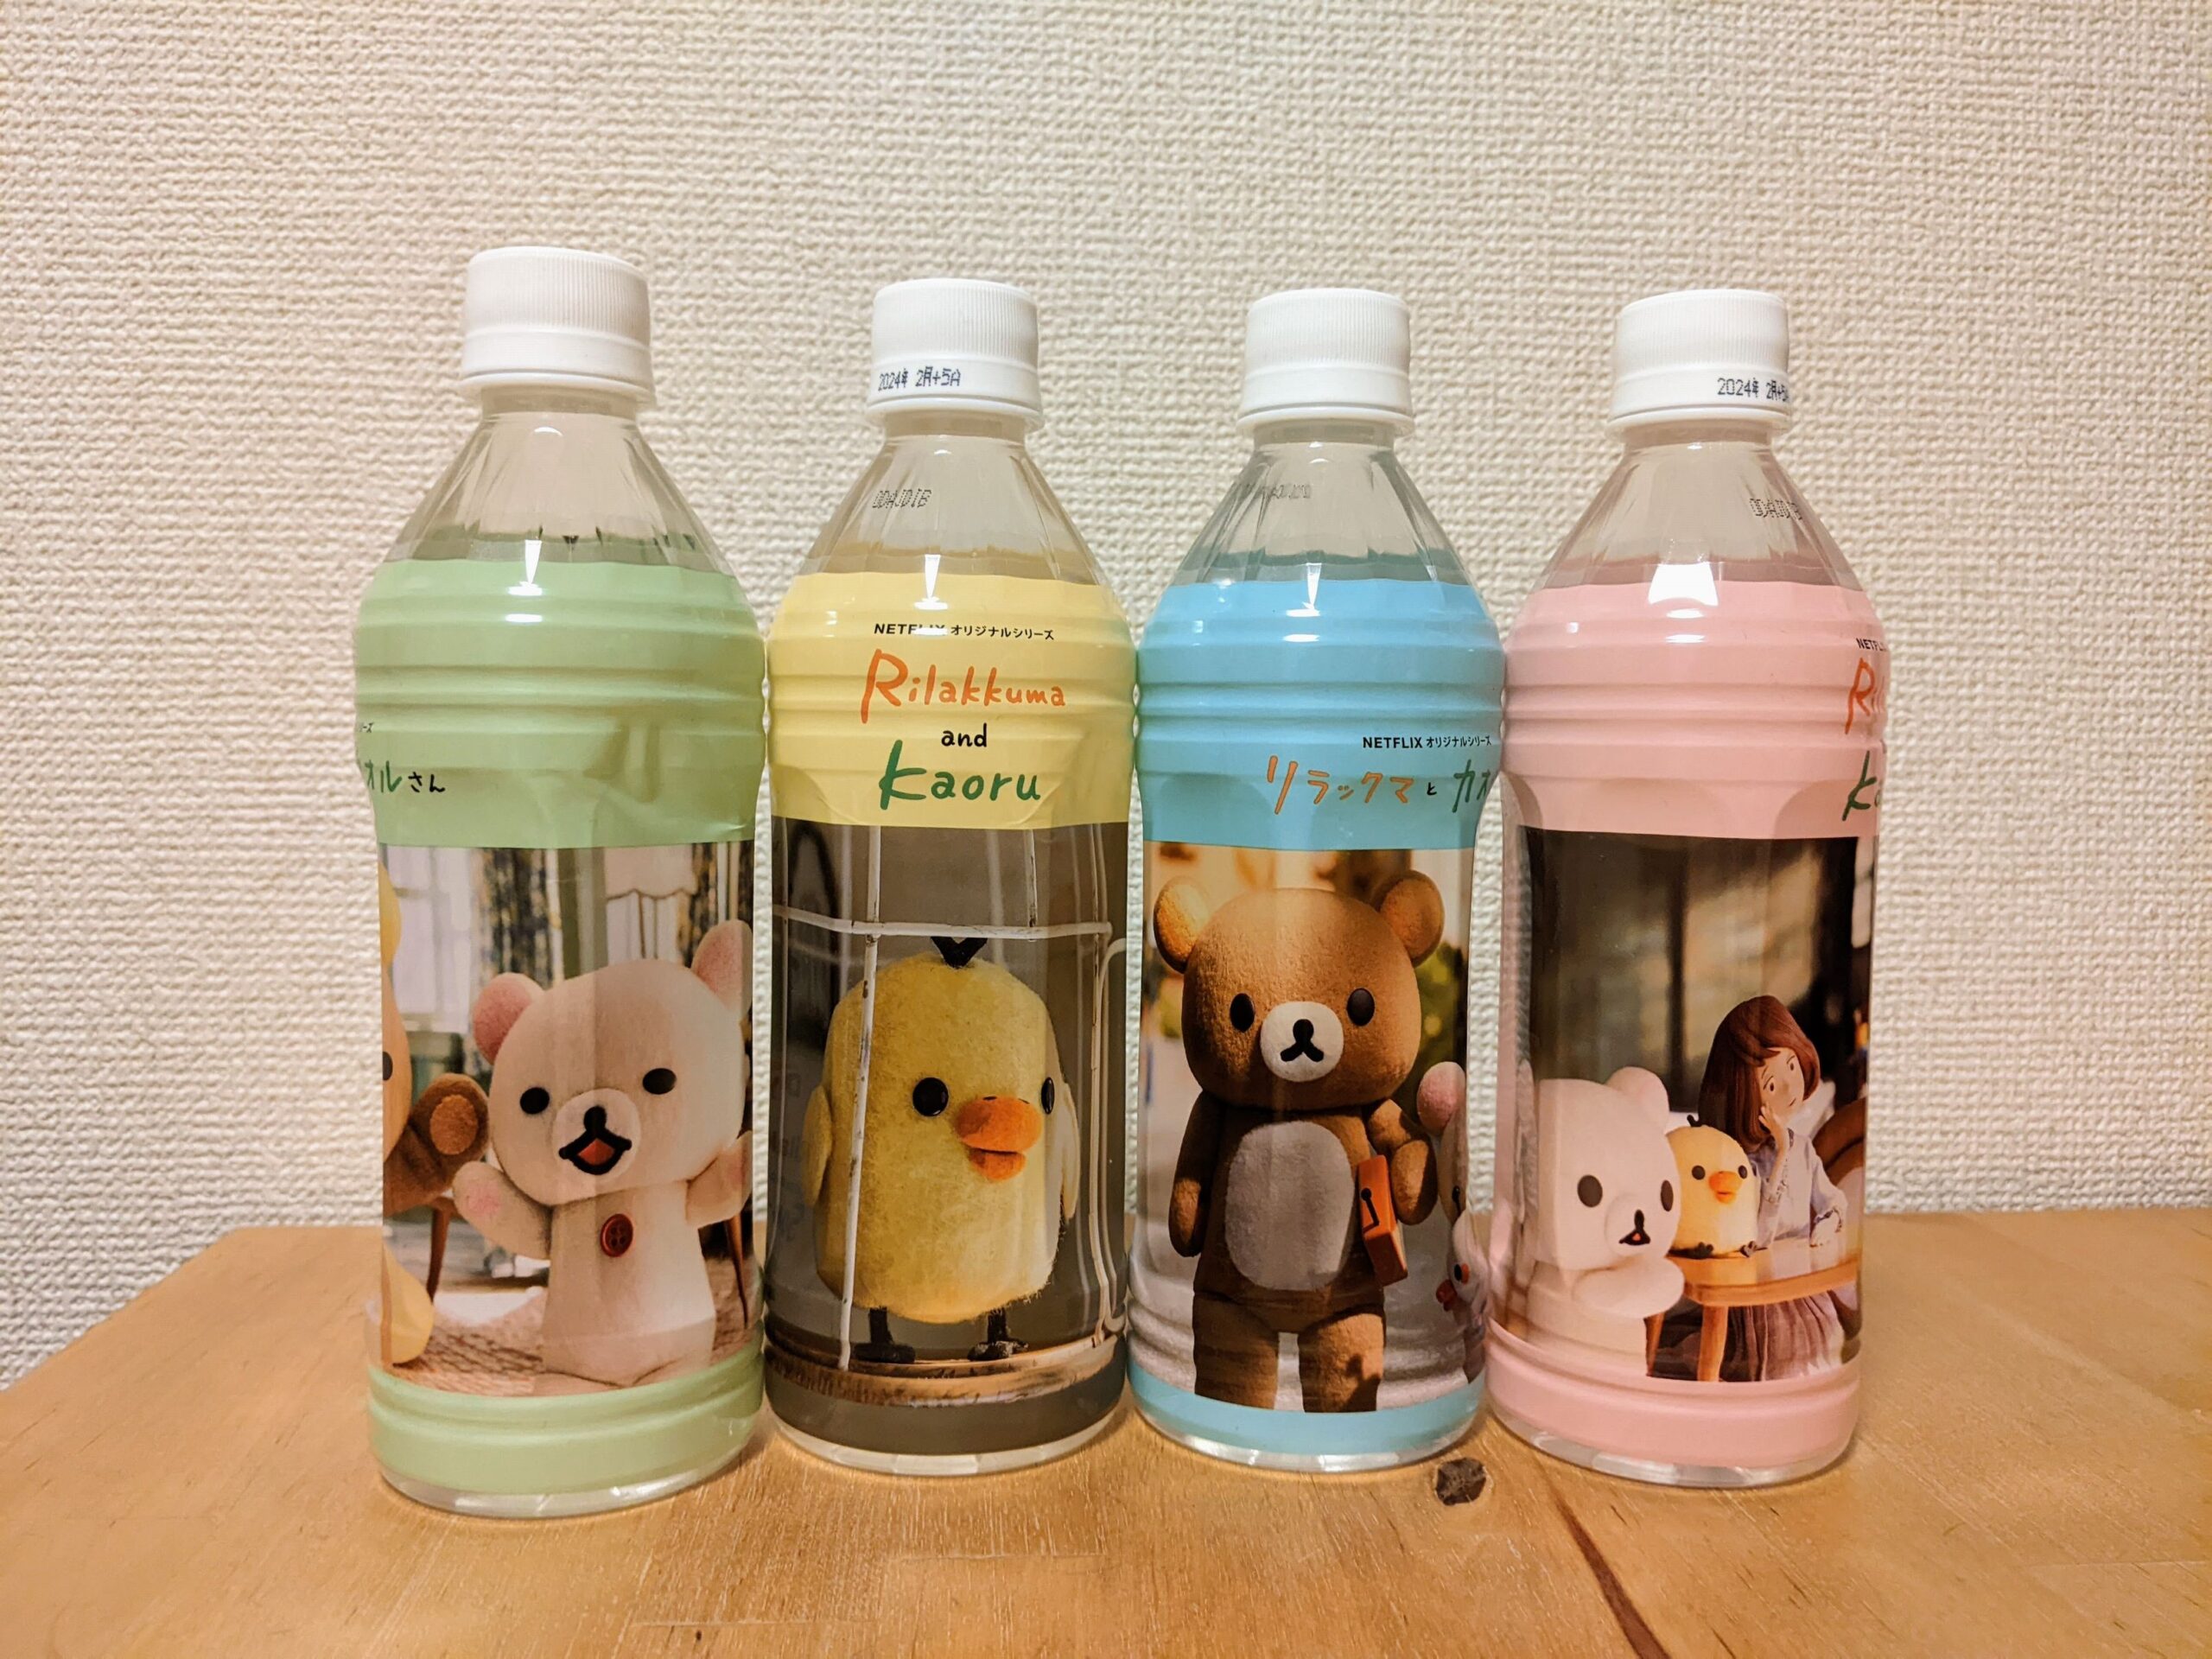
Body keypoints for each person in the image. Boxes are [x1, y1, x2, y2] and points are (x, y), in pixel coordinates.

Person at [1699, 995, 1847, 1380]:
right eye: (1770, 1084)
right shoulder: (1739, 1162)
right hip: (1763, 1296)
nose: (1789, 1087)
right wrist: (1780, 1156)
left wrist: (1829, 1222)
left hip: (1805, 1285)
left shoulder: (1805, 1149)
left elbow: (1833, 1201)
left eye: (1792, 1066)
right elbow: (1758, 1238)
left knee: (1826, 1354)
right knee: (1781, 1367)